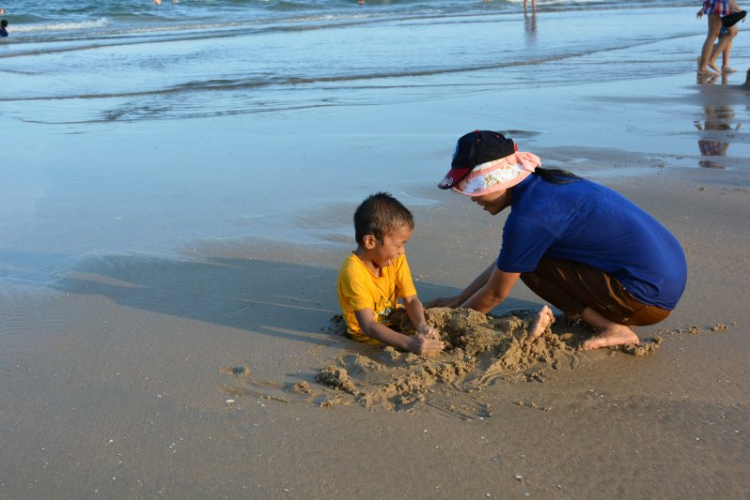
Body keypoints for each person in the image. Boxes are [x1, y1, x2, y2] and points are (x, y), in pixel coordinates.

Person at [428, 130, 688, 350]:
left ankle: (612, 327)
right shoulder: (550, 184)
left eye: (474, 189)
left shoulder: (530, 218)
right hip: (662, 278)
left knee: (530, 265)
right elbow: (507, 261)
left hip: (645, 299)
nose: (473, 199)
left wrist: (453, 325)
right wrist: (458, 299)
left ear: (495, 181)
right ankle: (609, 315)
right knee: (524, 257)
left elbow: (496, 292)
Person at [337, 192, 445, 357]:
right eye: (399, 245)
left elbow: (410, 298)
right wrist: (409, 344)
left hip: (393, 321)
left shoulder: (395, 258)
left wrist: (422, 327)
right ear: (370, 242)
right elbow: (368, 326)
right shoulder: (352, 273)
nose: (402, 251)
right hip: (368, 338)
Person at [697, 0, 745, 75]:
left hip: (722, 4)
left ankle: (719, 63)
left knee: (732, 31)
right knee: (713, 34)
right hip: (718, 4)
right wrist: (739, 10)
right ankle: (704, 66)